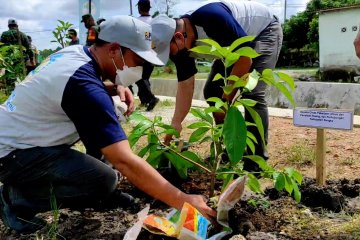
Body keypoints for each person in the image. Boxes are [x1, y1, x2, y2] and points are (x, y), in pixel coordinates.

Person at [0, 15, 215, 233]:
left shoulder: (76, 54)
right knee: (103, 180)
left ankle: (102, 194)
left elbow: (76, 86)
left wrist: (114, 87)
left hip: (19, 137)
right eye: (138, 61)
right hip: (11, 154)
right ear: (114, 50)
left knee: (104, 138)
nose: (140, 68)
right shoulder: (83, 86)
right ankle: (16, 200)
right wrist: (182, 199)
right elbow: (125, 161)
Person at [151, 0, 283, 171]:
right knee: (212, 91)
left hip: (263, 31)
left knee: (253, 94)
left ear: (178, 37)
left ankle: (255, 162)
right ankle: (227, 151)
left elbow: (245, 59)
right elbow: (185, 85)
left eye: (169, 52)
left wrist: (226, 100)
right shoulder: (180, 46)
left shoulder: (212, 18)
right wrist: (175, 123)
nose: (171, 56)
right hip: (231, 48)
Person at [132, 0, 159, 111]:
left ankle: (151, 98)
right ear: (149, 8)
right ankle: (144, 101)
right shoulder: (154, 22)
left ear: (139, 8)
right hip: (152, 53)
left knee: (139, 77)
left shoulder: (136, 21)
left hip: (140, 53)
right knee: (145, 78)